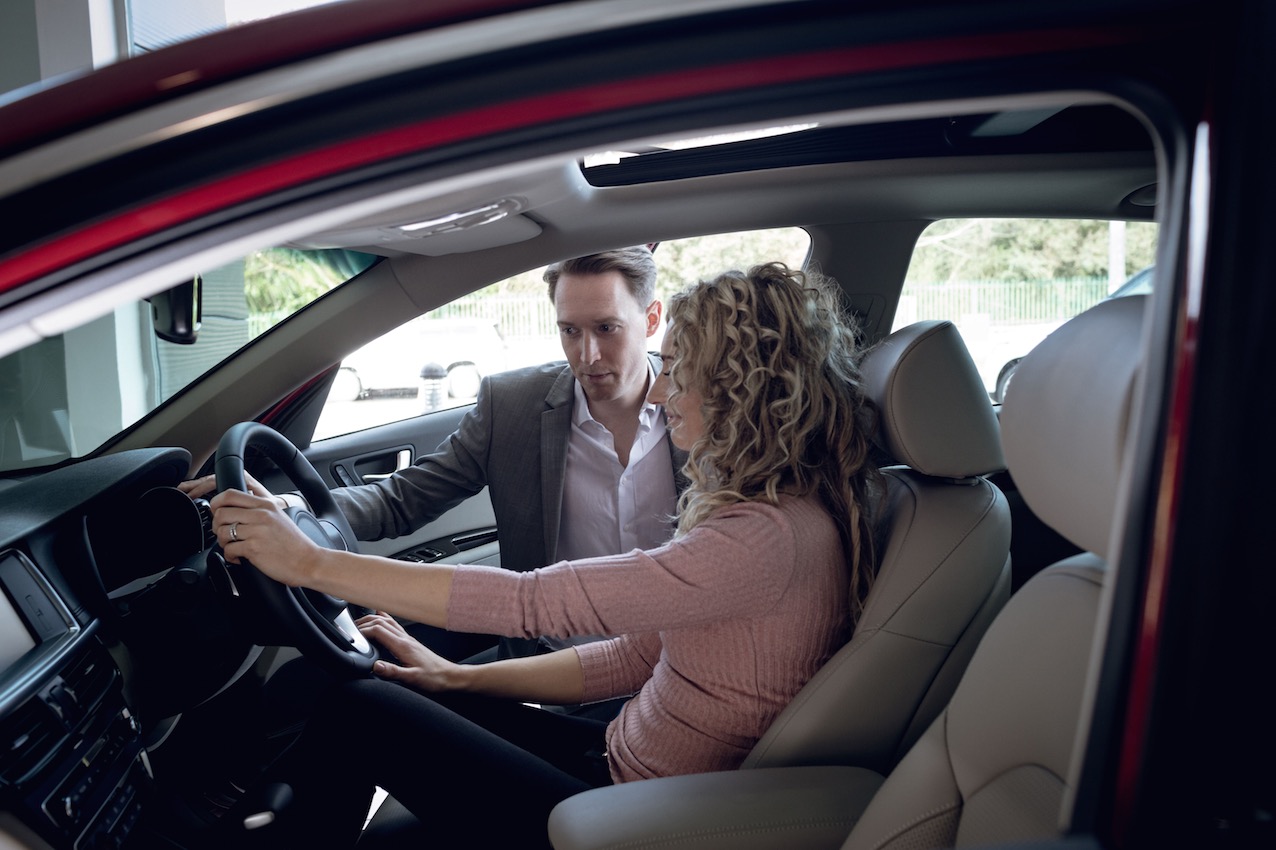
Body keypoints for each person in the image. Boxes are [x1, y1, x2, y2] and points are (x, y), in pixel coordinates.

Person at [209, 262, 880, 847]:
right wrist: (457, 679)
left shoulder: (765, 538)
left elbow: (536, 601)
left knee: (357, 711)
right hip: (610, 757)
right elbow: (636, 654)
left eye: (681, 373)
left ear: (741, 390)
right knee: (369, 686)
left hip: (633, 816)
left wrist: (311, 564)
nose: (664, 391)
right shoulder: (772, 508)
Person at [182, 247, 686, 669]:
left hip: (680, 665)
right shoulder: (513, 406)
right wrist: (291, 507)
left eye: (606, 328)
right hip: (552, 667)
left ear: (652, 318)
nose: (587, 355)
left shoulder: (708, 403)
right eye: (570, 331)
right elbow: (402, 498)